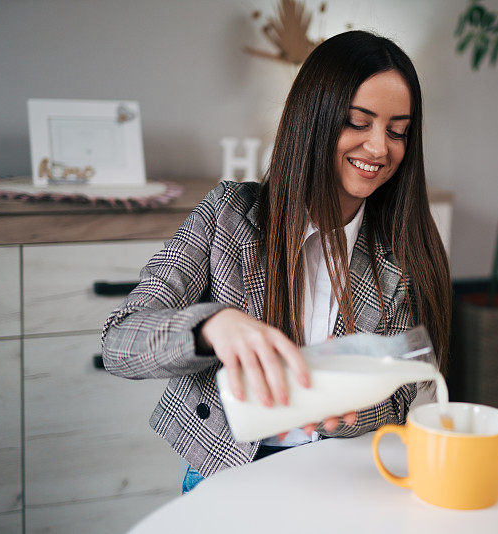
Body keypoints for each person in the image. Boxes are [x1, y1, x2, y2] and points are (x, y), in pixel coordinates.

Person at [101, 30, 451, 494]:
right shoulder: (227, 216)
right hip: (225, 478)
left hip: (345, 480)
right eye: (358, 122)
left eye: (397, 130)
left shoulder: (403, 250)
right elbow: (120, 343)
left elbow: (410, 393)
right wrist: (212, 327)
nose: (380, 148)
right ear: (314, 119)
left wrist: (348, 413)